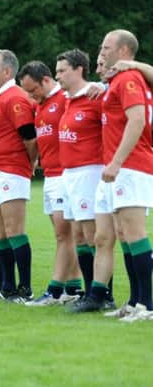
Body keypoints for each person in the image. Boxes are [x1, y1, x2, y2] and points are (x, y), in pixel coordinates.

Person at [72, 30, 153, 322]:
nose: (101, 52)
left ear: (123, 51)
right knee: (121, 235)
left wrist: (117, 162)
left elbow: (138, 120)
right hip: (120, 167)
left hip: (130, 166)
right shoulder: (117, 81)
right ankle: (135, 302)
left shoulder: (129, 78)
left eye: (106, 47)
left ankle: (148, 305)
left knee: (134, 234)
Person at [18, 60, 82, 306]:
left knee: (63, 234)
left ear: (46, 80)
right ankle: (73, 288)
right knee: (65, 235)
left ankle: (54, 290)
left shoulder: (65, 99)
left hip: (65, 175)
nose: (31, 96)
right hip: (51, 175)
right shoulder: (41, 104)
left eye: (33, 90)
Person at [0, 49, 37, 303]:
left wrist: (29, 163)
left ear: (7, 72)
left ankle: (25, 288)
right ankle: (7, 286)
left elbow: (29, 138)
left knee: (14, 230)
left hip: (9, 171)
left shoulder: (15, 98)